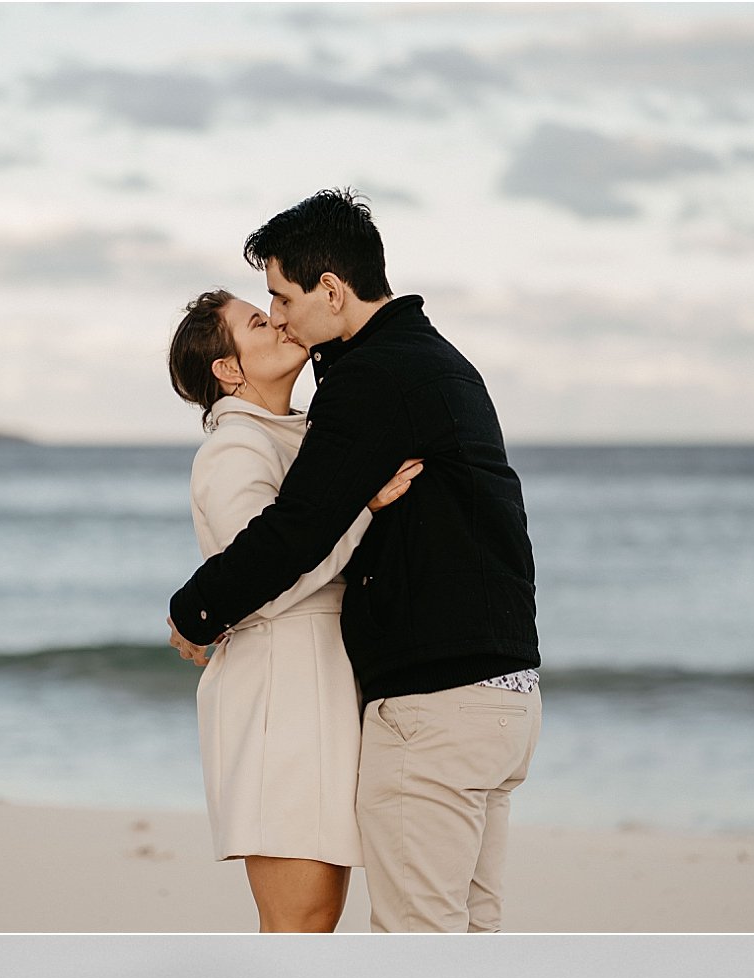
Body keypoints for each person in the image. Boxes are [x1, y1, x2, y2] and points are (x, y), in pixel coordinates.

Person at [167, 190, 542, 934]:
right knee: (462, 932)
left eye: (279, 297)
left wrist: (194, 613)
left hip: (438, 705)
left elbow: (296, 534)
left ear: (331, 291)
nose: (278, 316)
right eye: (262, 308)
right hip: (498, 695)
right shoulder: (434, 362)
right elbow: (287, 539)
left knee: (417, 938)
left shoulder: (369, 383)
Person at [168, 288, 423, 933]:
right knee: (300, 921)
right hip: (279, 695)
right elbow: (258, 581)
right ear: (229, 369)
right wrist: (363, 509)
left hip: (316, 688)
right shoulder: (236, 450)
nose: (279, 319)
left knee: (316, 918)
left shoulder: (298, 436)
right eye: (258, 321)